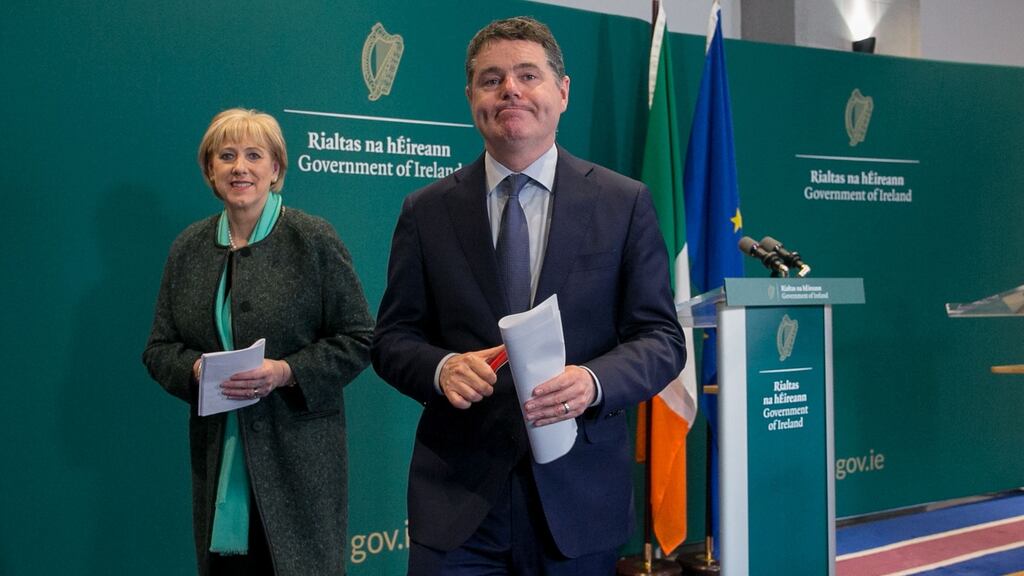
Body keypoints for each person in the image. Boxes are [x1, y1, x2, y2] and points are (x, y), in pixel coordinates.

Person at [371, 17, 685, 575]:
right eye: (491, 80)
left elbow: (661, 339)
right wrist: (441, 367)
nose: (509, 89)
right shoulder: (426, 211)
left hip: (578, 499)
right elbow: (392, 339)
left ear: (562, 92)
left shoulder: (623, 203)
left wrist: (592, 382)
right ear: (471, 98)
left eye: (527, 75)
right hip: (458, 501)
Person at [142, 108, 373, 576]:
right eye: (226, 156)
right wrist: (195, 370)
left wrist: (286, 372)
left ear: (276, 169)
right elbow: (159, 348)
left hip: (300, 467)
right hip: (220, 465)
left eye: (253, 155)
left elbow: (359, 338)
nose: (240, 168)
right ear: (210, 170)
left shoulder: (313, 239)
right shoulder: (188, 248)